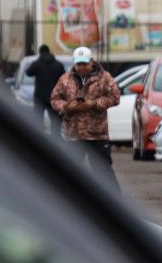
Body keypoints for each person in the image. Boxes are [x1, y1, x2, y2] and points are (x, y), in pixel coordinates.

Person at [50, 46, 121, 192]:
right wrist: (68, 106)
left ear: (91, 61)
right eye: (79, 63)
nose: (82, 67)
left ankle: (114, 202)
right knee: (71, 172)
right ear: (74, 63)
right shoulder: (65, 80)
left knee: (103, 171)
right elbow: (54, 99)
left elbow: (115, 97)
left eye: (85, 63)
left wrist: (94, 104)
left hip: (97, 134)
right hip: (73, 134)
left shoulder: (104, 78)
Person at [25, 44, 65, 140]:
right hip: (54, 97)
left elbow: (28, 72)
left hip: (40, 97)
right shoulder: (58, 65)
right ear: (49, 51)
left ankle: (40, 139)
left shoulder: (37, 64)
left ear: (40, 52)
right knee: (55, 121)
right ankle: (56, 140)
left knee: (38, 119)